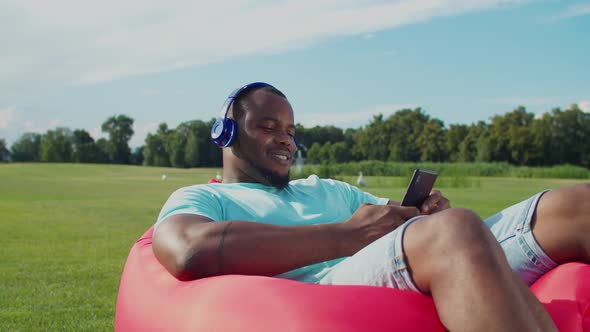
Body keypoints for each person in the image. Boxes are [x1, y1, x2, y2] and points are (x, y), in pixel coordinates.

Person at [153, 82, 589, 331]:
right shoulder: (206, 197)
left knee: (577, 204)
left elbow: (400, 231)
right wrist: (345, 235)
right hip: (331, 291)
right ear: (226, 134)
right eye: (267, 127)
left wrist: (423, 213)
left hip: (422, 261)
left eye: (290, 129)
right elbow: (187, 248)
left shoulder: (327, 189)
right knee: (454, 230)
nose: (285, 138)